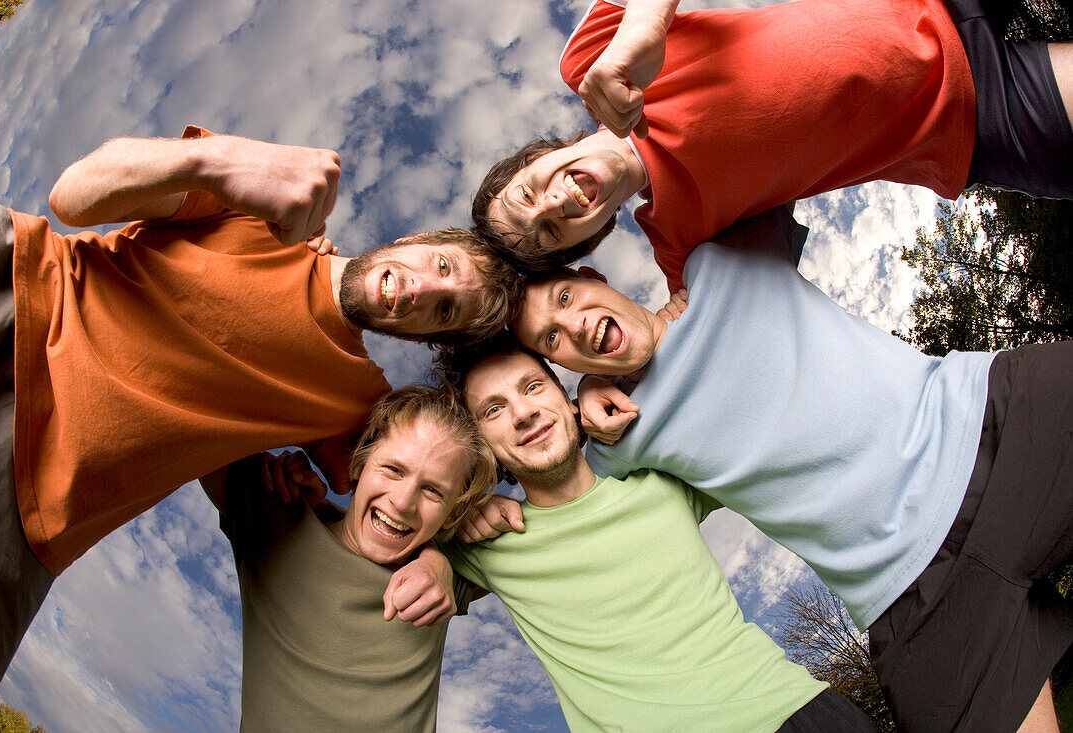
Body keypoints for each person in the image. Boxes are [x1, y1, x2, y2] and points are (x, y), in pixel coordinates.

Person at [0, 125, 523, 720]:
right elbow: (74, 196)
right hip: (9, 290)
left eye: (445, 312)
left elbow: (429, 482)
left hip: (36, 498)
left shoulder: (357, 404)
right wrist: (214, 160)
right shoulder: (260, 209)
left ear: (428, 337)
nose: (423, 290)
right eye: (441, 264)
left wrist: (453, 548)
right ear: (413, 238)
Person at [509, 205, 1073, 731]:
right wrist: (584, 404)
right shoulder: (620, 435)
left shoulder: (719, 263)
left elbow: (745, 140)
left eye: (564, 299)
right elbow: (556, 489)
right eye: (551, 340)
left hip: (992, 426)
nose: (575, 326)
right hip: (914, 597)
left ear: (593, 278)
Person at [472, 0, 1073, 293]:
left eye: (528, 193)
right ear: (588, 240)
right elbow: (690, 336)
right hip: (974, 117)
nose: (551, 207)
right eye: (550, 234)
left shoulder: (592, 61)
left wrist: (644, 27)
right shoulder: (683, 238)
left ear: (534, 159)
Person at [438, 335, 878, 732]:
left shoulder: (661, 479)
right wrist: (439, 549)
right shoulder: (484, 544)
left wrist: (601, 378)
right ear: (482, 447)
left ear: (569, 401)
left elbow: (731, 371)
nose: (523, 413)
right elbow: (379, 514)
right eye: (493, 410)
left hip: (797, 712)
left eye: (533, 387)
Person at [199, 385, 497, 730]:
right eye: (394, 469)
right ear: (357, 464)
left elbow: (552, 526)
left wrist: (441, 556)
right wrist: (314, 444)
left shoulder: (445, 580)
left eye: (433, 490)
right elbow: (196, 403)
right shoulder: (275, 519)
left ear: (449, 514)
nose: (402, 502)